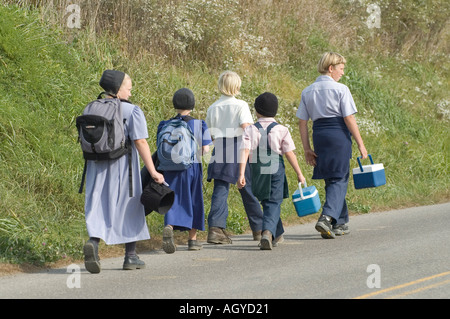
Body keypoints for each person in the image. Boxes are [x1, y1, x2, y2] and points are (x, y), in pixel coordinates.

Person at [83, 70, 164, 273]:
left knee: (98, 205)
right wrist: (153, 171)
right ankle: (130, 256)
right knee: (129, 206)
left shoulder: (90, 108)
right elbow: (141, 142)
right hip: (123, 168)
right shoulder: (131, 111)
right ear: (118, 89)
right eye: (128, 87)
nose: (130, 91)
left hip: (95, 167)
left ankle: (93, 243)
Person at [296, 52, 368, 239]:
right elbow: (349, 117)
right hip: (338, 134)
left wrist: (307, 148)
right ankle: (327, 217)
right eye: (341, 68)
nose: (343, 73)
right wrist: (361, 144)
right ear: (331, 68)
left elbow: (302, 123)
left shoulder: (307, 91)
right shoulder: (341, 89)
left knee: (332, 176)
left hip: (319, 135)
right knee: (340, 178)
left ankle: (340, 222)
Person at [238, 92, 306, 250]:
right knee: (274, 201)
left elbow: (245, 151)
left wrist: (241, 173)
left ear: (256, 111)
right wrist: (299, 173)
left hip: (257, 168)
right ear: (275, 110)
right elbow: (289, 153)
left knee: (267, 200)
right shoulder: (282, 129)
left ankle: (278, 233)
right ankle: (267, 233)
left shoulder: (250, 130)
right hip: (275, 166)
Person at [206, 71, 264, 244]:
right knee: (247, 188)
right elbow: (246, 127)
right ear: (237, 86)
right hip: (238, 146)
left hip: (220, 147)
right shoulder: (241, 105)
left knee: (220, 189)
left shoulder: (212, 107)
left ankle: (215, 229)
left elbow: (210, 133)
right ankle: (259, 228)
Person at [157, 88, 212, 253]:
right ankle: (192, 240)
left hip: (168, 167)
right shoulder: (198, 124)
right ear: (192, 105)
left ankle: (169, 226)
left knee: (172, 197)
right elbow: (206, 150)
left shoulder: (165, 124)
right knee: (193, 199)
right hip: (191, 167)